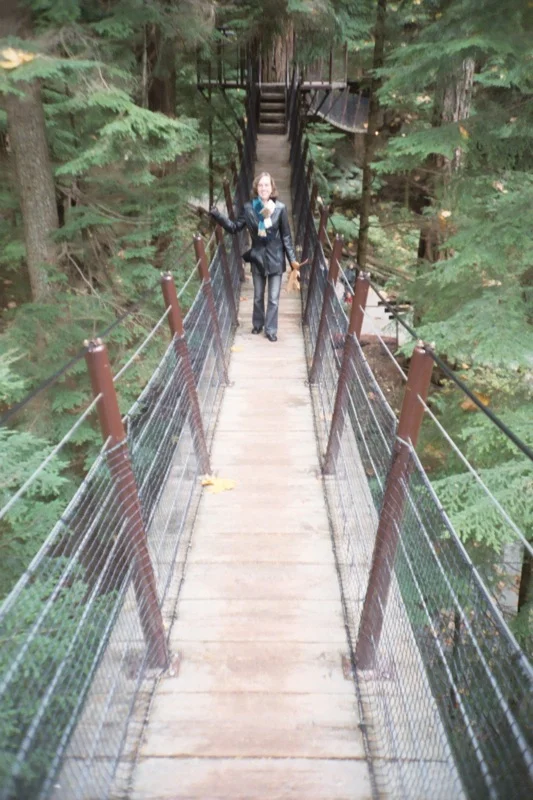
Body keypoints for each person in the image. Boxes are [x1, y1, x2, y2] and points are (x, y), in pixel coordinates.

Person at [209, 172, 300, 342]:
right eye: (261, 185)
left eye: (267, 185)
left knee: (273, 298)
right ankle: (258, 324)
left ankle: (271, 329)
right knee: (258, 296)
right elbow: (235, 227)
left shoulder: (280, 209)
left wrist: (292, 260)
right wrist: (218, 216)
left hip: (276, 258)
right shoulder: (249, 208)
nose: (264, 188)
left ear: (272, 188)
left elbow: (286, 236)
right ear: (256, 188)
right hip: (258, 257)